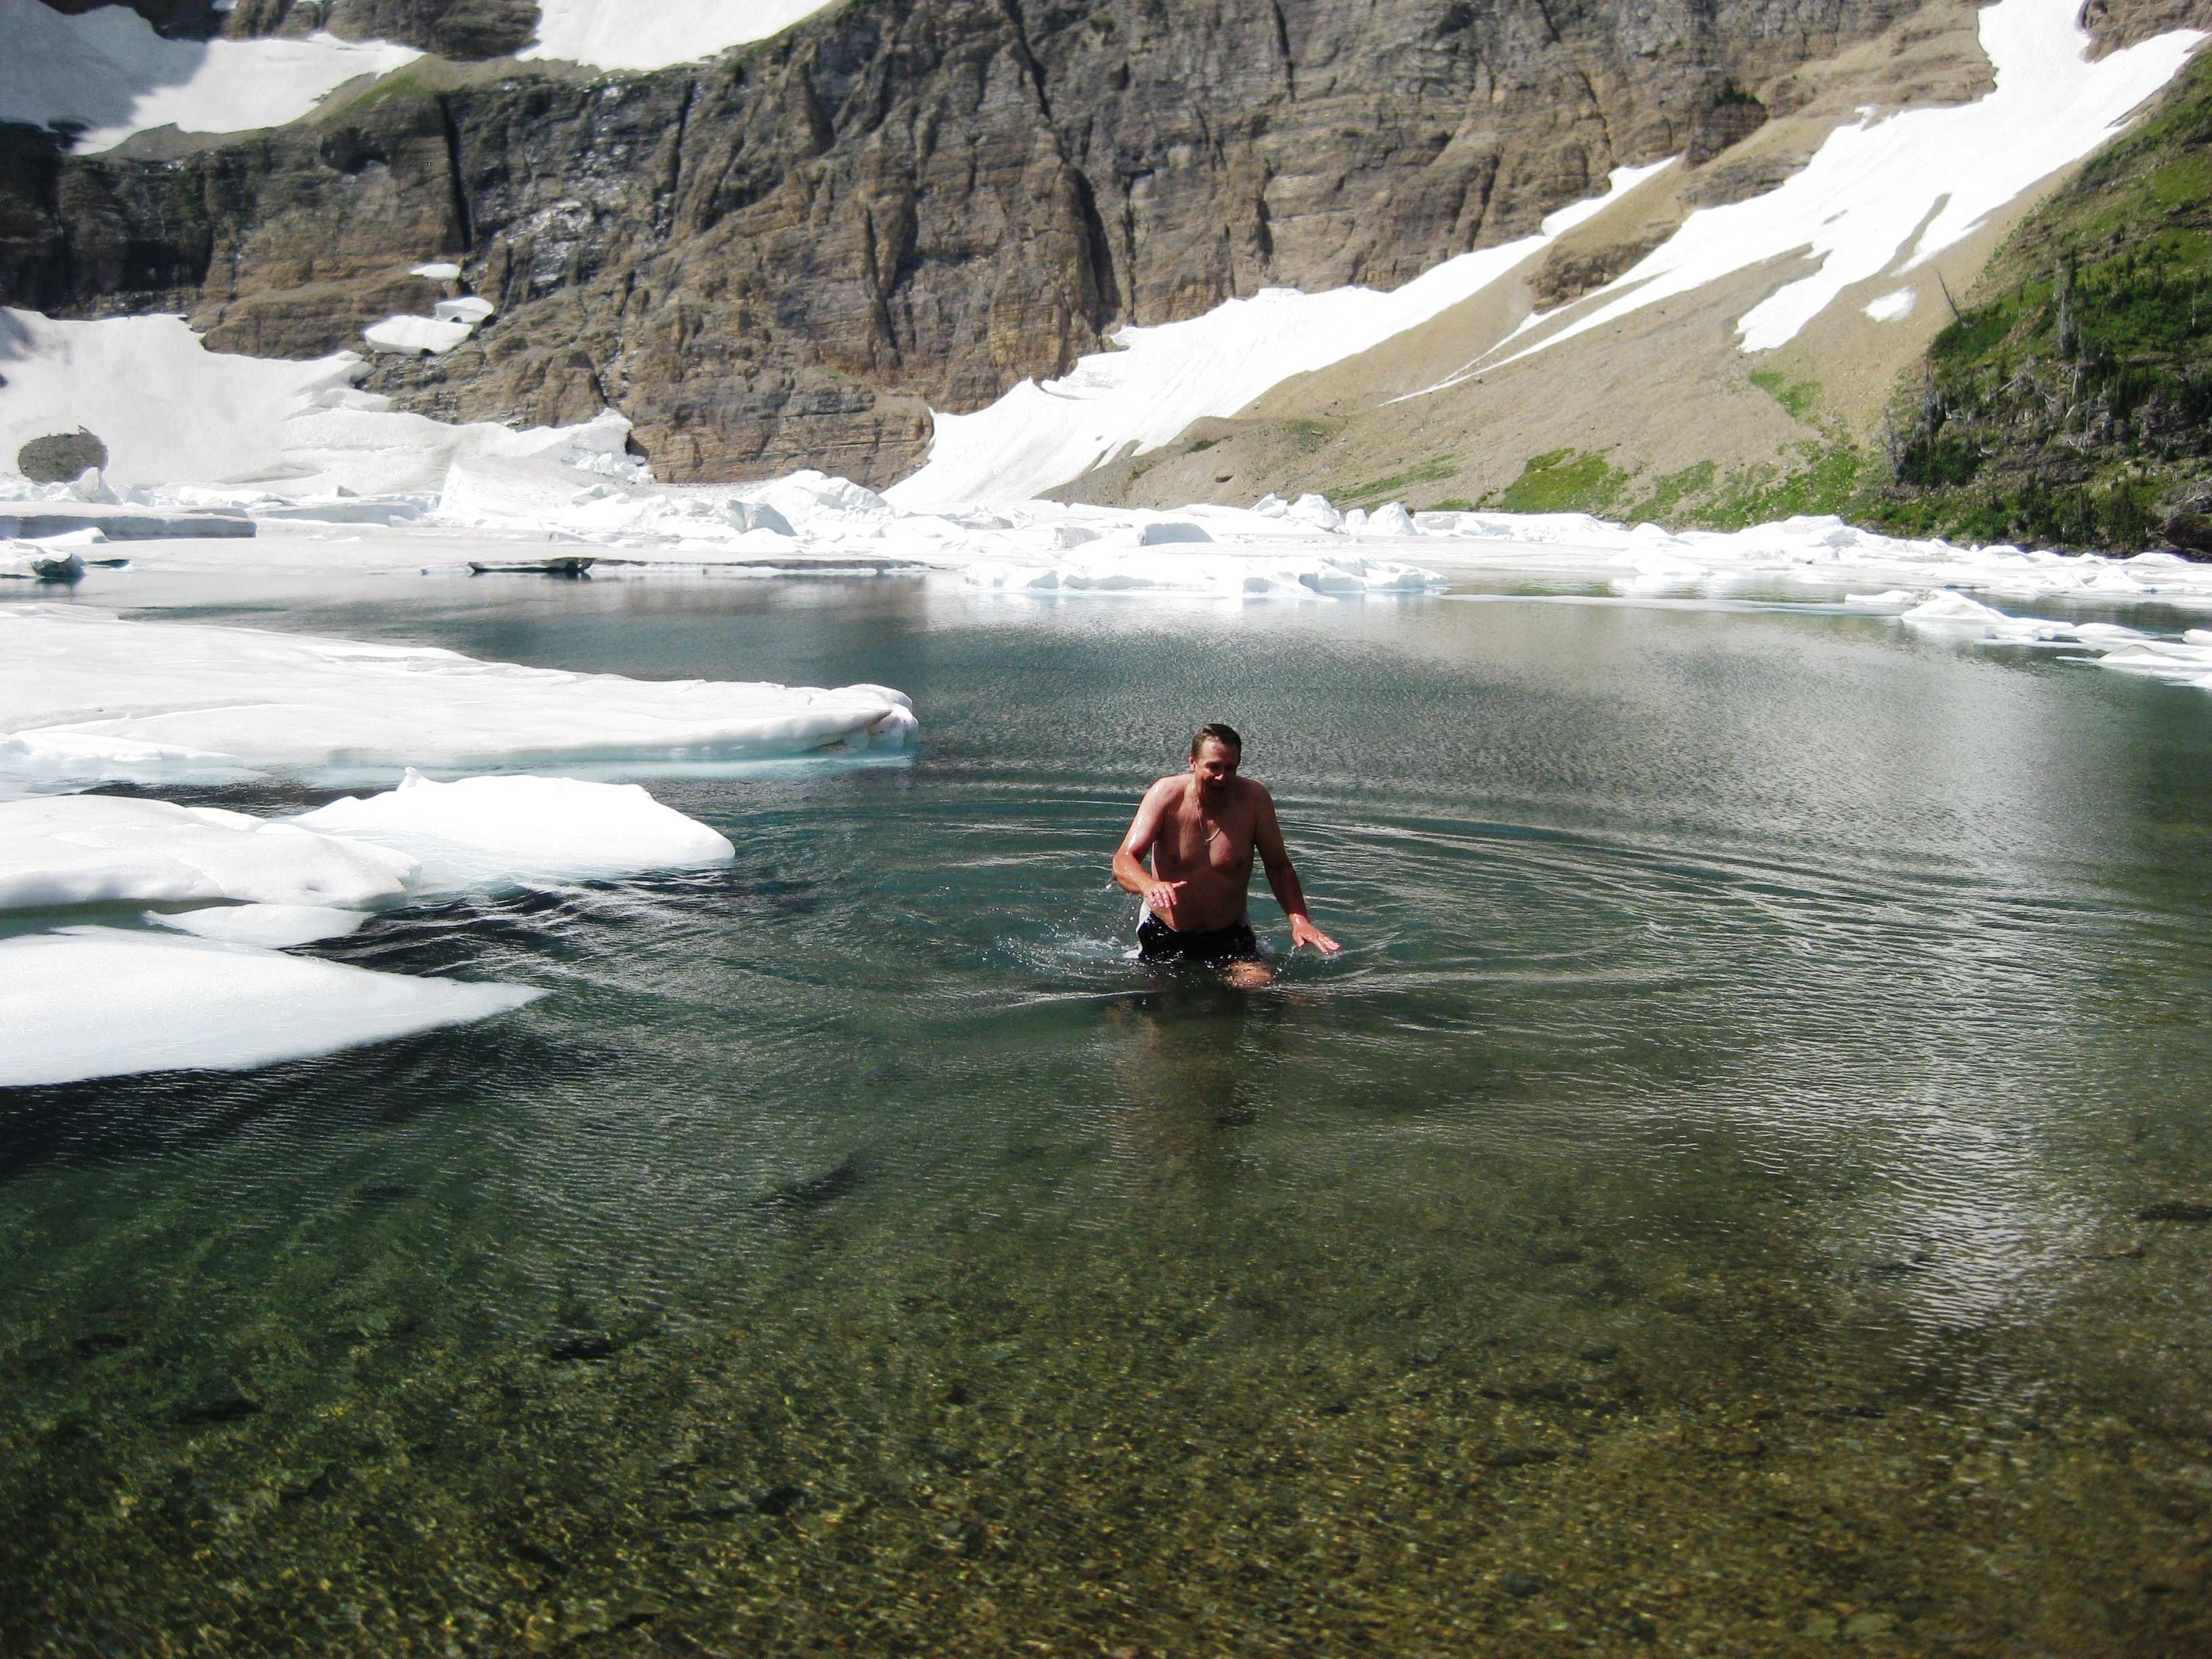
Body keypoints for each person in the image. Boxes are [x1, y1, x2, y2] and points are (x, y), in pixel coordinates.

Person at [1113, 722, 1341, 981]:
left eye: (1230, 768)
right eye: (1214, 767)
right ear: (1193, 762)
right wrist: (1148, 884)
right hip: (1166, 930)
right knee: (1162, 1009)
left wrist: (1299, 921)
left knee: (1259, 985)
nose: (1222, 777)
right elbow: (1123, 861)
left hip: (1229, 933)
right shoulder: (1165, 795)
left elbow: (1279, 866)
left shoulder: (1254, 799)